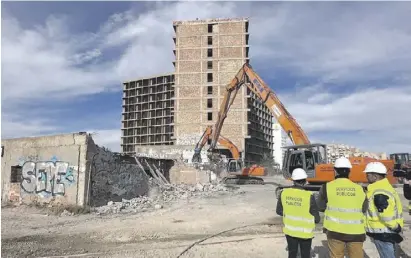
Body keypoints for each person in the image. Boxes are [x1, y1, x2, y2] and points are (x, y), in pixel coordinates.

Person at [317, 157, 367, 258]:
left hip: (334, 232)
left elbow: (320, 207)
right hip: (356, 233)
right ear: (349, 171)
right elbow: (364, 208)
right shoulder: (359, 188)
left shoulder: (326, 187)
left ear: (335, 171)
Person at [276, 168, 320, 258]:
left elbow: (279, 211)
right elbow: (317, 219)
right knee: (305, 255)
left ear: (293, 180)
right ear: (305, 181)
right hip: (305, 233)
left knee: (292, 254)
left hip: (290, 231)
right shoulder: (309, 196)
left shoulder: (283, 193)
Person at [364, 162, 404, 258]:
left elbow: (386, 214)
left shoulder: (379, 191)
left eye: (368, 174)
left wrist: (394, 226)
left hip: (383, 232)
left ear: (375, 176)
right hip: (388, 230)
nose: (366, 177)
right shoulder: (385, 187)